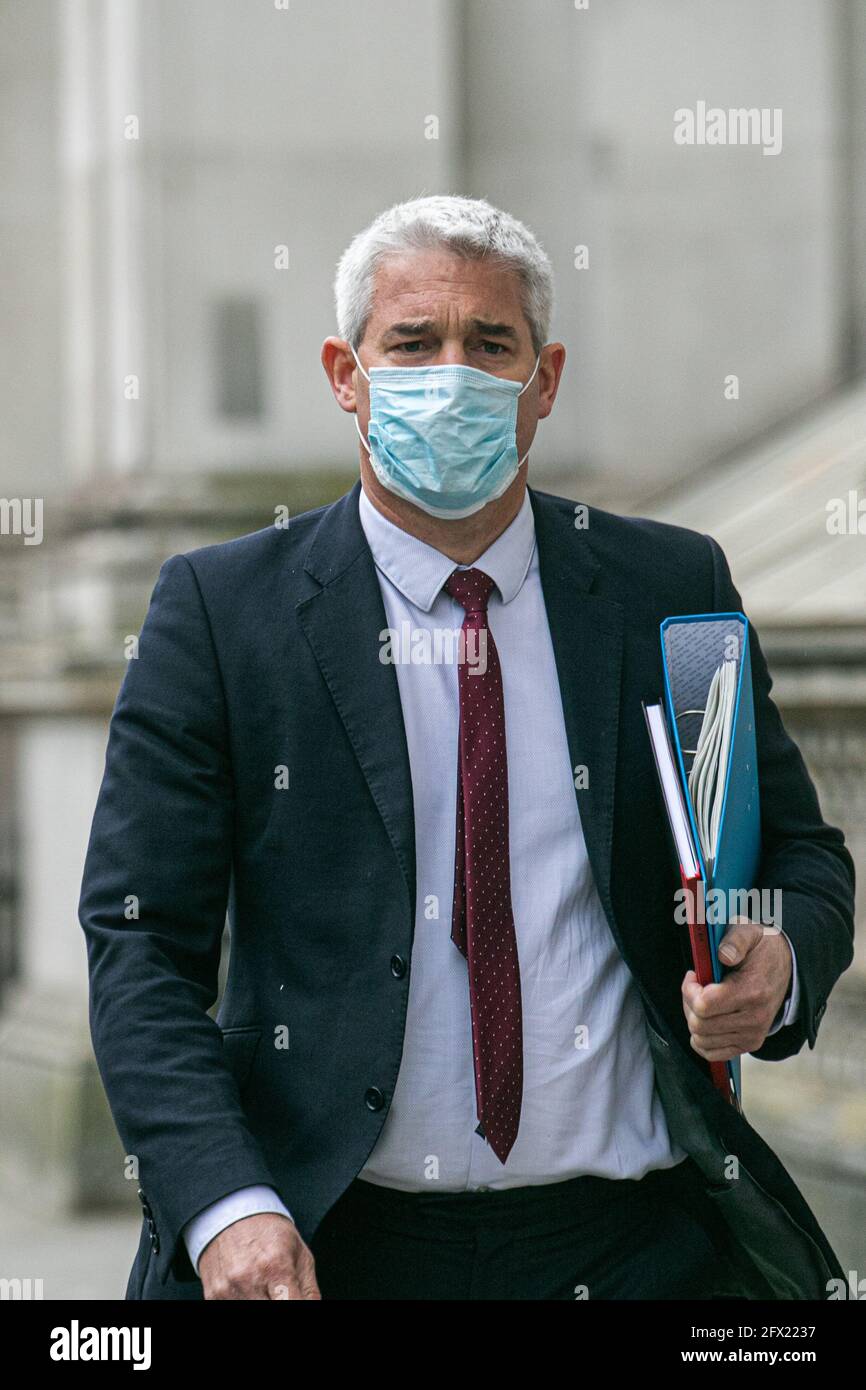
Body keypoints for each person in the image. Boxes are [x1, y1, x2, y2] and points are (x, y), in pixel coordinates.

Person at [79, 195, 855, 1301]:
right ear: (345, 374)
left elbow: (799, 854)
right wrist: (225, 1206)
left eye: (490, 343)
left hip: (639, 1247)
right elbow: (138, 944)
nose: (452, 373)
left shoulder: (666, 589)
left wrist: (774, 966)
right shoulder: (221, 613)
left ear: (543, 381)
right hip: (332, 1246)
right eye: (412, 342)